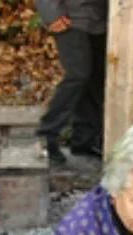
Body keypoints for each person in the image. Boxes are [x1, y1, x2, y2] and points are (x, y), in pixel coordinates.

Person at [35, 0, 107, 165]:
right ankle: (47, 134)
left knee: (95, 78)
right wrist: (52, 14)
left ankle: (85, 139)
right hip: (69, 17)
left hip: (100, 17)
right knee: (78, 74)